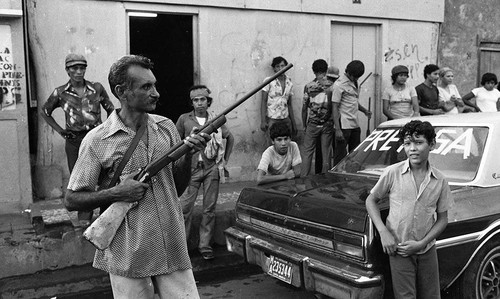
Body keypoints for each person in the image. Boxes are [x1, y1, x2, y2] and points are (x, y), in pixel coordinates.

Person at [64, 55, 210, 299]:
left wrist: (188, 155)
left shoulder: (166, 127)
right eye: (146, 87)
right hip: (128, 251)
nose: (156, 93)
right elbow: (71, 199)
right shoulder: (97, 140)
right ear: (122, 91)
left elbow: (178, 188)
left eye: (154, 85)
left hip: (172, 246)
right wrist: (116, 193)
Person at [365, 120, 451, 299]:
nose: (412, 148)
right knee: (405, 297)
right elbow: (371, 200)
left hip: (426, 249)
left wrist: (422, 243)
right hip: (400, 250)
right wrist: (384, 232)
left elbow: (443, 219)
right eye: (407, 143)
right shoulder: (392, 172)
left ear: (432, 144)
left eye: (419, 143)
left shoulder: (440, 180)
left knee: (431, 296)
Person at [41, 53, 115, 222]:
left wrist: (107, 129)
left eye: (82, 68)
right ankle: (84, 222)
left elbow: (111, 109)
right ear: (67, 70)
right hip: (75, 142)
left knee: (105, 178)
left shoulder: (96, 88)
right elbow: (45, 112)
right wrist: (61, 131)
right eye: (74, 68)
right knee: (81, 184)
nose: (79, 71)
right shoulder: (60, 92)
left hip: (97, 140)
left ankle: (106, 219)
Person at [176, 85, 234, 261]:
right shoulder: (184, 119)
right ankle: (182, 249)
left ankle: (205, 246)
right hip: (191, 170)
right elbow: (176, 143)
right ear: (192, 103)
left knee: (209, 209)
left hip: (211, 168)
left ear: (208, 102)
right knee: (184, 209)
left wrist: (224, 161)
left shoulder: (215, 120)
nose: (199, 103)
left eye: (202, 99)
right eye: (196, 100)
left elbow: (229, 137)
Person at [332, 60, 372, 165]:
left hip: (354, 124)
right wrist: (337, 129)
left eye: (357, 77)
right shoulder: (339, 84)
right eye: (354, 76)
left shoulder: (355, 83)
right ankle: (337, 178)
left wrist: (364, 111)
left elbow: (353, 102)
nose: (355, 79)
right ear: (348, 72)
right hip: (343, 125)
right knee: (340, 157)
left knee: (355, 155)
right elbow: (335, 106)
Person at [301, 59, 334, 176]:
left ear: (313, 71)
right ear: (326, 70)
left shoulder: (308, 87)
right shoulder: (331, 86)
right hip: (327, 124)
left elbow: (304, 107)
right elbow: (334, 106)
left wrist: (304, 125)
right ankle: (325, 180)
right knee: (326, 154)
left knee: (307, 153)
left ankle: (303, 179)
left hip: (313, 123)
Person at [260, 56, 297, 142]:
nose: (281, 68)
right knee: (272, 145)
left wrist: (293, 123)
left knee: (285, 145)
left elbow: (289, 104)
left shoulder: (289, 82)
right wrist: (263, 121)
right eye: (277, 66)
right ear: (274, 68)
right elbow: (263, 101)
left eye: (282, 65)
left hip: (285, 118)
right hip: (272, 119)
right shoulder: (268, 81)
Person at [315, 65, 340, 173]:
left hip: (327, 122)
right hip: (328, 122)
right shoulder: (331, 87)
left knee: (327, 151)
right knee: (326, 152)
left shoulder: (333, 87)